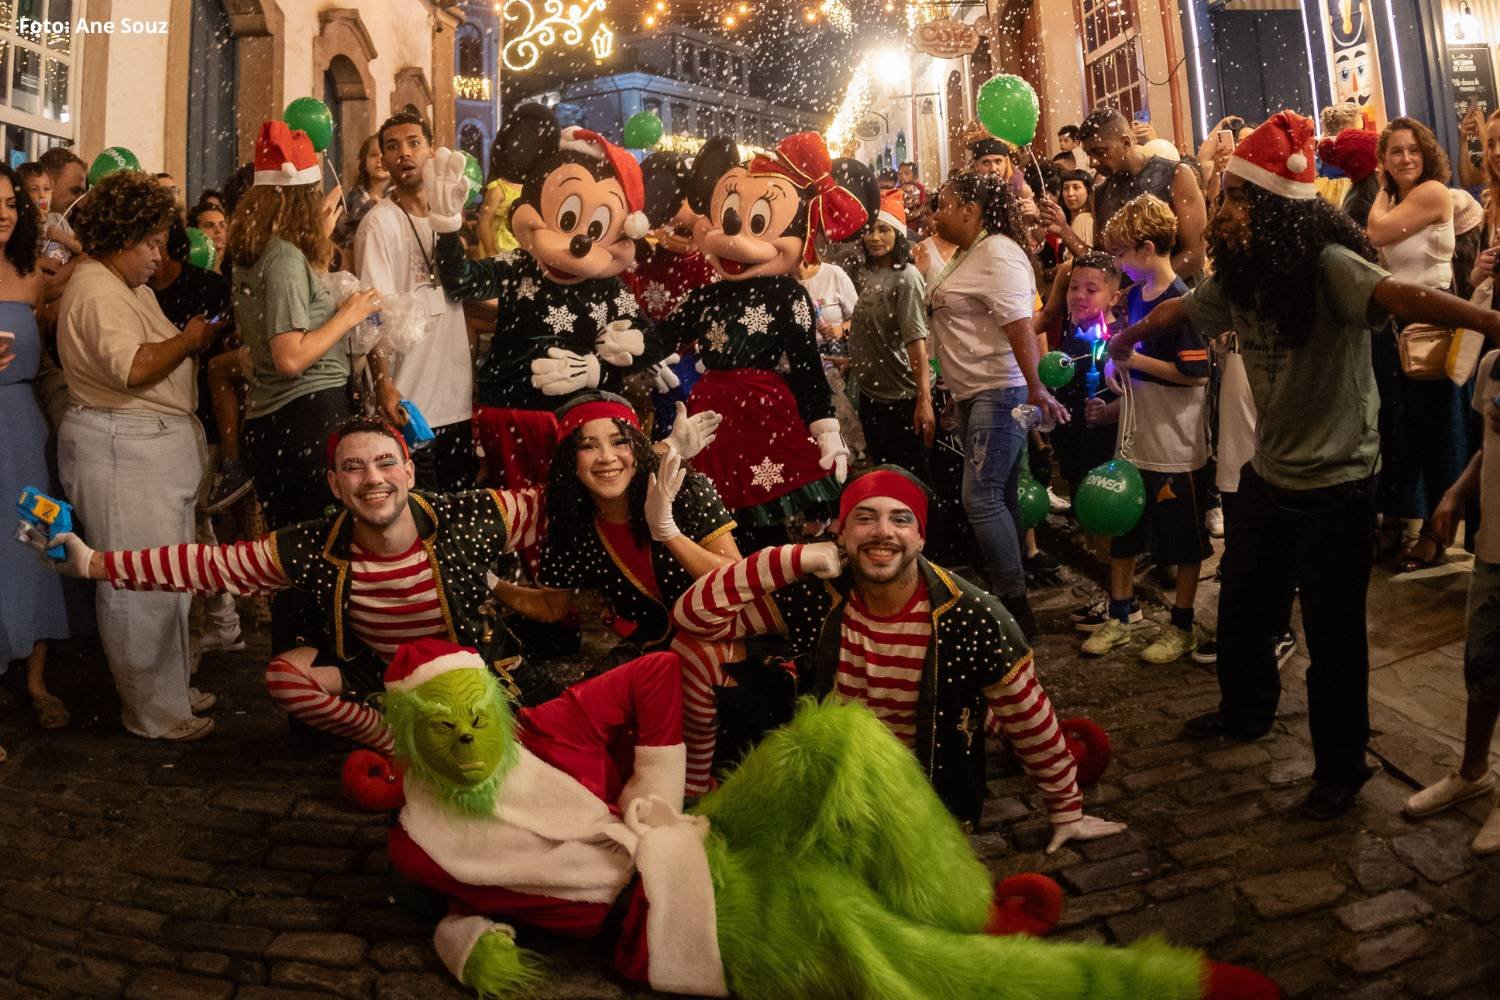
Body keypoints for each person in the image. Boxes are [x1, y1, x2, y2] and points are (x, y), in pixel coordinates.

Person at [1109, 110, 1500, 819]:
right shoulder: (1248, 272)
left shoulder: (1328, 265)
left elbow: (1405, 296)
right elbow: (1186, 311)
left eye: (1232, 197)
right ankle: (1245, 711)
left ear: (1266, 205)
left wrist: (1493, 322)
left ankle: (1341, 768)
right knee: (1245, 611)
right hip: (1272, 472)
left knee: (1333, 634)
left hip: (1339, 480)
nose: (1221, 209)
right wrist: (1128, 330)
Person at [21, 415, 546, 752]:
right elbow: (210, 565)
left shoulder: (476, 514)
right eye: (355, 468)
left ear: (409, 472)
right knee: (285, 676)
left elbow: (559, 506)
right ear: (335, 484)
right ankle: (395, 740)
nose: (374, 479)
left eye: (387, 463)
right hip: (384, 682)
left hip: (477, 673)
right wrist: (92, 564)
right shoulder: (309, 545)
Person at [670, 465, 1126, 848]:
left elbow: (1028, 714)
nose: (883, 532)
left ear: (921, 538)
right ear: (842, 534)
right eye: (865, 519)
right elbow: (694, 617)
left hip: (923, 789)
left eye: (901, 520)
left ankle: (983, 722)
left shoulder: (971, 615)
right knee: (693, 650)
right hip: (834, 772)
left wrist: (1067, 811)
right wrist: (795, 558)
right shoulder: (822, 592)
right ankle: (695, 789)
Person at [54, 169, 219, 741]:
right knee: (136, 586)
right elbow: (134, 368)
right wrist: (190, 340)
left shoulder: (124, 286)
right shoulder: (96, 290)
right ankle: (151, 710)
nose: (159, 254)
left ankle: (169, 689)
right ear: (121, 237)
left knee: (167, 581)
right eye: (149, 242)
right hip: (124, 448)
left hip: (152, 448)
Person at [499, 392, 733, 790]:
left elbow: (737, 579)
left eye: (619, 441)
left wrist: (668, 533)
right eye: (588, 446)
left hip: (723, 649)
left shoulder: (684, 489)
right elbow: (555, 607)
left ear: (637, 448)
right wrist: (492, 586)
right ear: (570, 460)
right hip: (652, 660)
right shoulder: (571, 520)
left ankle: (693, 788)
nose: (607, 457)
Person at [231, 120, 381, 650]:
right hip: (307, 419)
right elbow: (289, 355)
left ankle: (299, 683)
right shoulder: (285, 258)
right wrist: (350, 313)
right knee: (323, 559)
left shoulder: (254, 252)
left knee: (292, 559)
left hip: (272, 424)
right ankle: (321, 686)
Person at [925, 170, 1069, 637]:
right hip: (973, 393)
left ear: (970, 211)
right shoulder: (971, 254)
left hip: (999, 391)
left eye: (944, 203)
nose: (936, 211)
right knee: (1000, 494)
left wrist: (1035, 387)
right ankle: (1011, 591)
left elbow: (1019, 326)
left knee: (980, 496)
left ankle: (1012, 604)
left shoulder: (998, 254)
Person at [1082, 195, 1212, 664]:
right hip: (1136, 440)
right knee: (1125, 533)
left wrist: (1134, 360)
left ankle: (1181, 625)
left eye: (1121, 253)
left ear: (1148, 247)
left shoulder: (1182, 302)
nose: (1117, 264)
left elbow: (1195, 373)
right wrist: (1121, 379)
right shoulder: (1136, 296)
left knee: (1182, 539)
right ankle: (1120, 614)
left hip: (1176, 443)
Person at [1403, 349, 1500, 855]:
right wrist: (1454, 493)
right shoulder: (1492, 365)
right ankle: (1472, 772)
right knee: (1481, 663)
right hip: (1493, 545)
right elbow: (1488, 442)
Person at [357, 110, 479, 493]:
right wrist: (383, 384)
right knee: (418, 512)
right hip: (408, 397)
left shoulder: (449, 217)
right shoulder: (379, 222)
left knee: (457, 509)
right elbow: (372, 312)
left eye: (413, 143)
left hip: (456, 395)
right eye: (392, 147)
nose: (403, 154)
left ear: (431, 150)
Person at [1365, 117, 1468, 573]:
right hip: (1396, 328)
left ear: (1425, 154)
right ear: (1383, 159)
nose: (1406, 159)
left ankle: (1435, 529)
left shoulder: (1431, 193)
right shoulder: (1393, 198)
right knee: (1397, 430)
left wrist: (1383, 195)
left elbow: (1375, 235)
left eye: (1413, 150)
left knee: (1436, 430)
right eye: (1395, 152)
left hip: (1434, 323)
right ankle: (1395, 519)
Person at [0, 163, 70, 751]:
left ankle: (37, 680)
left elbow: (96, 262)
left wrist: (60, 232)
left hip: (24, 426)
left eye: (9, 202)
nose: (2, 212)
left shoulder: (33, 275)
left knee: (33, 536)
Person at [846, 188, 935, 483]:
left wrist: (924, 401)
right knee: (885, 475)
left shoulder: (906, 277)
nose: (874, 237)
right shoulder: (867, 274)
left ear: (898, 233)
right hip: (873, 396)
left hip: (904, 396)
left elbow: (916, 342)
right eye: (869, 230)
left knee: (912, 478)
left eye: (883, 229)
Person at [1077, 107, 1206, 280]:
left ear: (1125, 142)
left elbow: (1194, 255)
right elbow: (1104, 260)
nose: (1092, 162)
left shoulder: (1176, 175)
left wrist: (1142, 290)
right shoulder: (1100, 193)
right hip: (1126, 302)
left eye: (1100, 152)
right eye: (1088, 154)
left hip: (1179, 298)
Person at [187, 201, 228, 272]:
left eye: (222, 225)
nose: (218, 230)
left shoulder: (237, 265)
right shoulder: (190, 269)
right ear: (195, 232)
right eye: (209, 225)